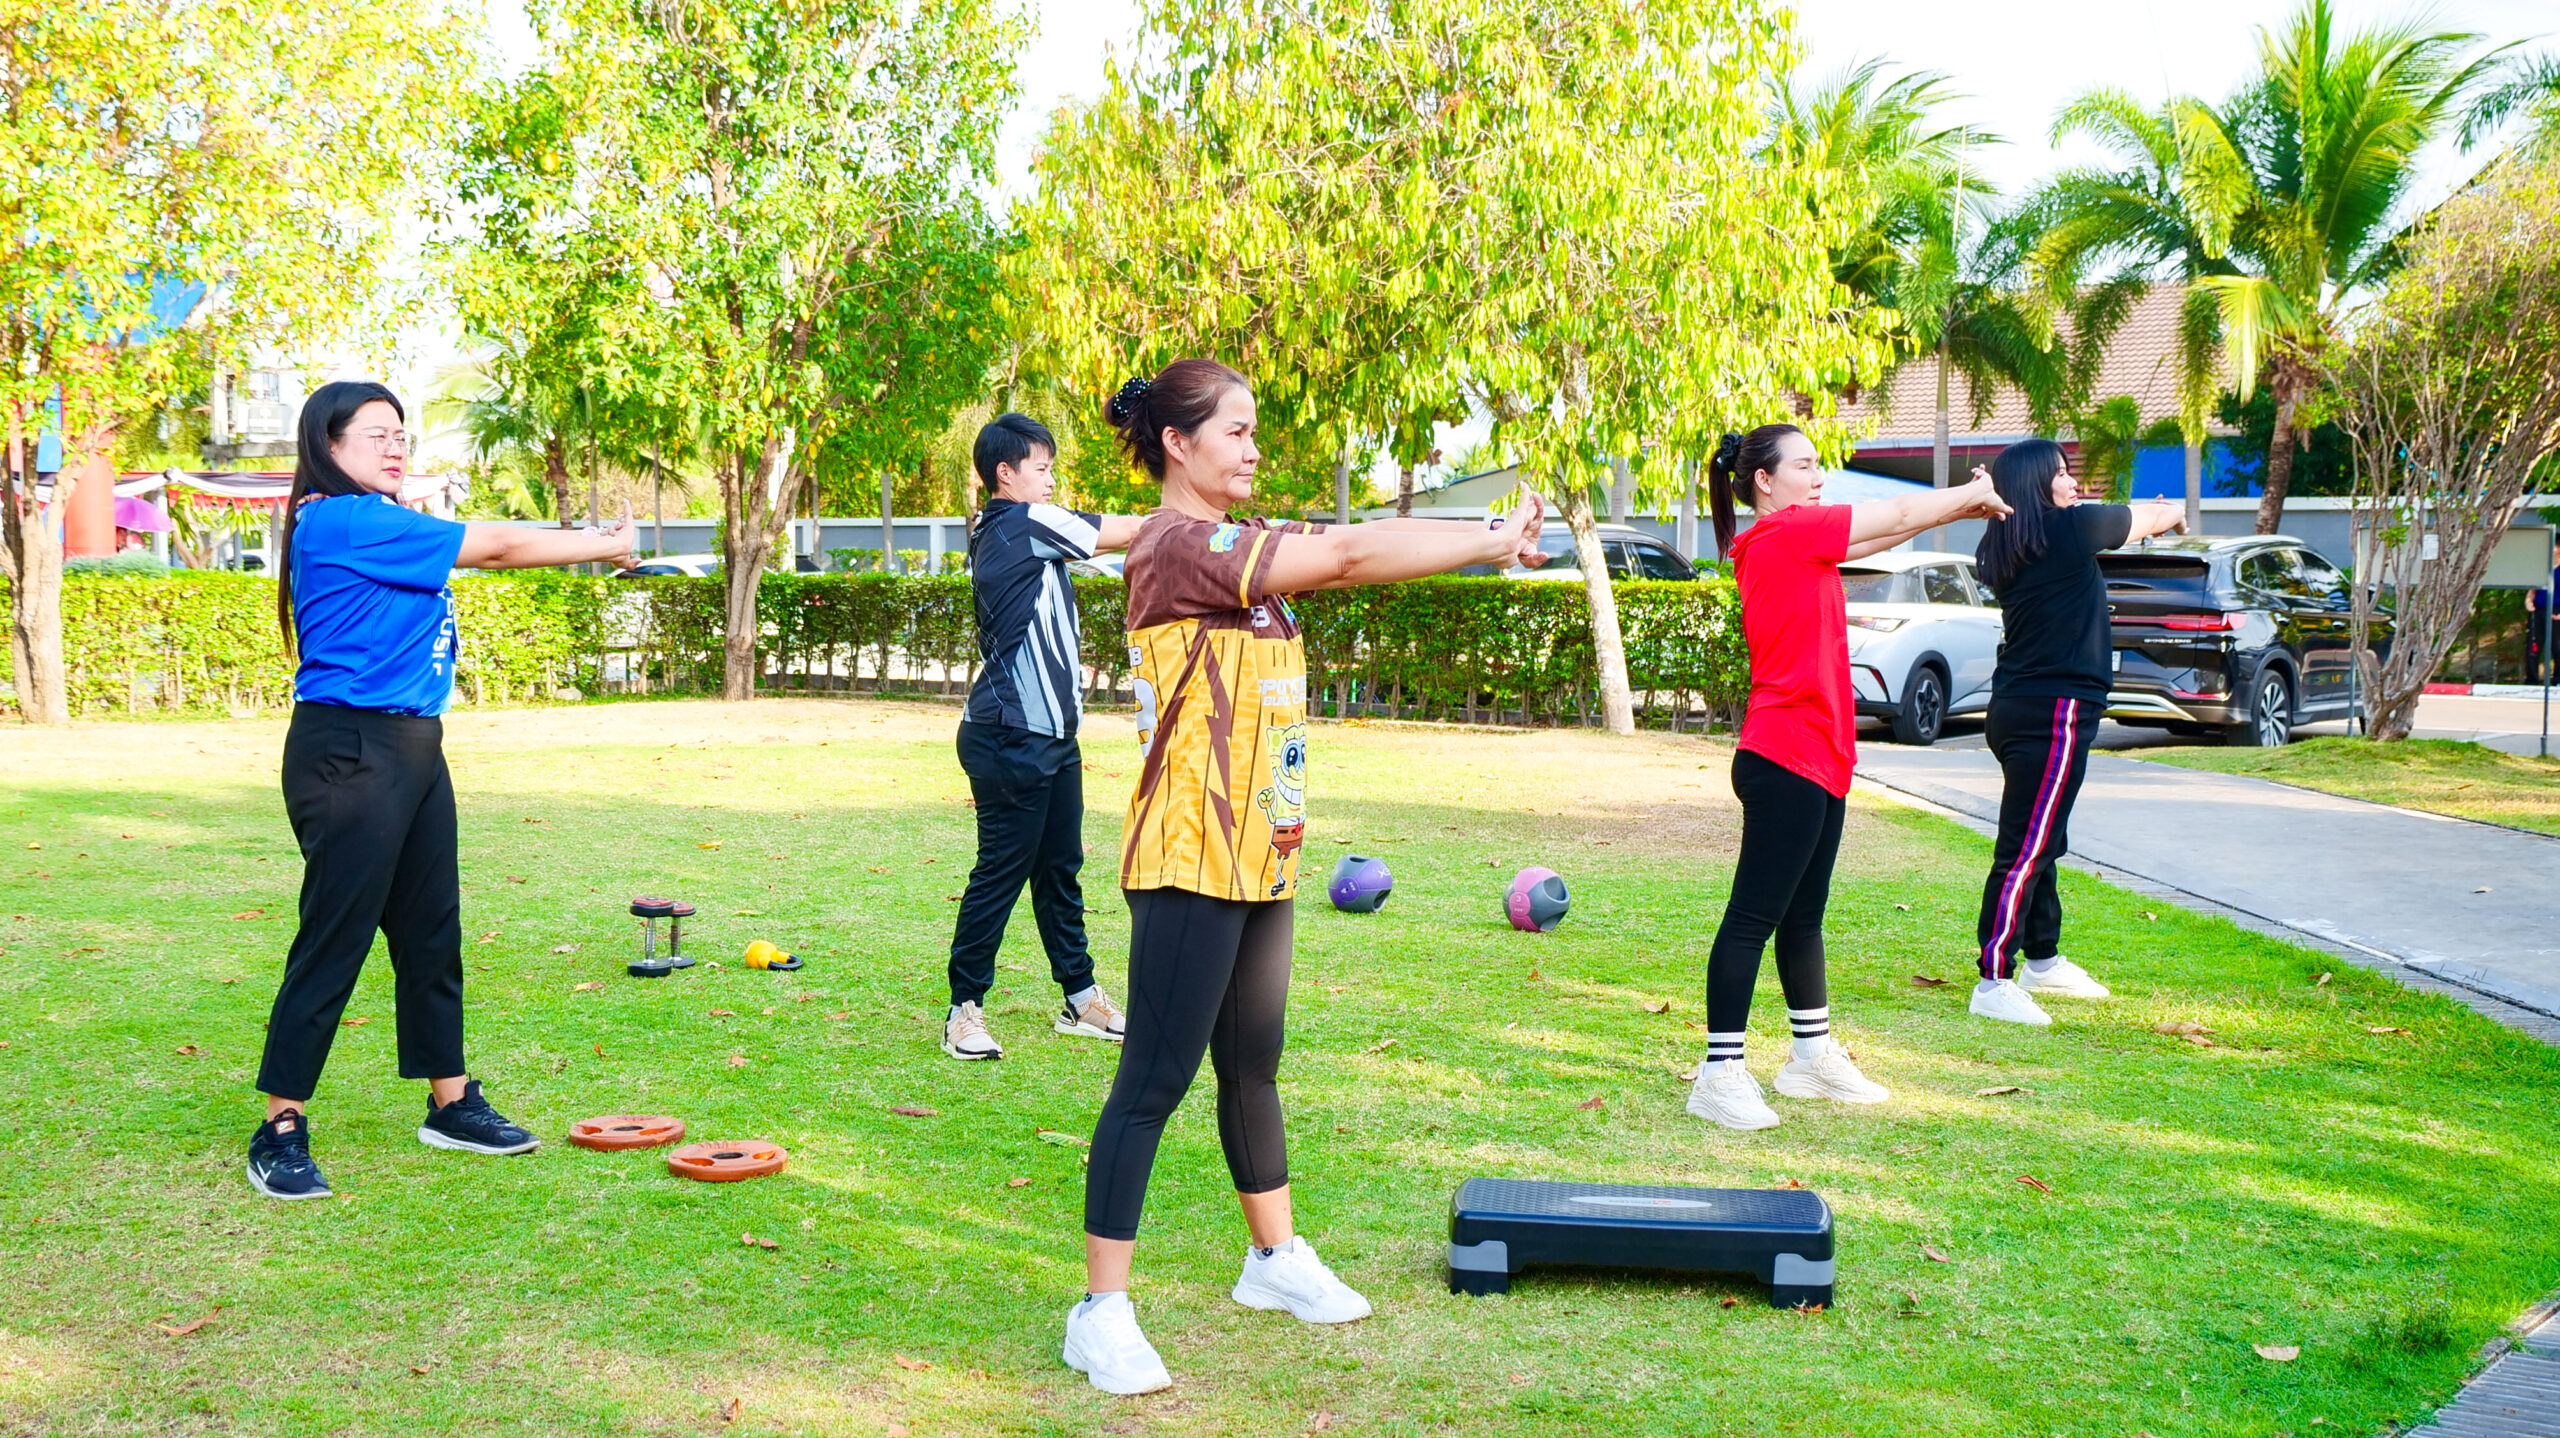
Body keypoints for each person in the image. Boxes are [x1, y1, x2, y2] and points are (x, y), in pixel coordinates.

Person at [1060, 359, 1549, 1395]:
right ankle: (1099, 1312)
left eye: (1253, 430)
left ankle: (1272, 1258)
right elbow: (1349, 553)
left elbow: (1352, 551)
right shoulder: (1179, 544)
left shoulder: (1237, 544)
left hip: (1263, 854)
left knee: (1253, 1064)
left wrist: (1487, 538)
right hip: (1190, 852)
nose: (1253, 448)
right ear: (1177, 443)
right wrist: (1489, 540)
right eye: (1234, 430)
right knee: (1152, 1080)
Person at [246, 380, 637, 1200]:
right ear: (328, 444)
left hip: (414, 745)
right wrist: (603, 543)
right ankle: (280, 1124)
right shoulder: (345, 519)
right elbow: (493, 547)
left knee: (431, 932)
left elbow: (479, 544)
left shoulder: (378, 520)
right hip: (351, 750)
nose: (396, 447)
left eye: (402, 434)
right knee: (337, 936)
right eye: (376, 434)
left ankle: (450, 1103)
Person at [1684, 424, 2013, 1132]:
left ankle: (1810, 1059)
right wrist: (1971, 491)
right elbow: (1896, 511)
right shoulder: (1784, 532)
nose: (1819, 477)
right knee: (1752, 919)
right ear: (1764, 480)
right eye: (1805, 466)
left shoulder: (1791, 539)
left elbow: (1883, 535)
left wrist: (1962, 508)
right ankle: (1718, 1074)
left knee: (1803, 917)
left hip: (1820, 754)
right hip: (1785, 755)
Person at [942, 412, 1146, 1061]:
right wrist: (1197, 515)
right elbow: (1130, 531)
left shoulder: (1020, 532)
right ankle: (963, 1011)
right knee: (1001, 874)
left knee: (1059, 870)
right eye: (1042, 468)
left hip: (1053, 738)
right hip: (1009, 735)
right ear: (1005, 474)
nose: (1052, 480)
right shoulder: (1021, 522)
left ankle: (1081, 999)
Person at [1966, 439, 2185, 1026]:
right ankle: (1993, 979)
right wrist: (2171, 513)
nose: (2073, 484)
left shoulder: (2005, 542)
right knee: (2026, 848)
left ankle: (2042, 958)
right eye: (2062, 473)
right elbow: (2157, 515)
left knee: (2044, 837)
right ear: (2037, 485)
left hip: (2020, 705)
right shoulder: (2068, 529)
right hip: (2053, 713)